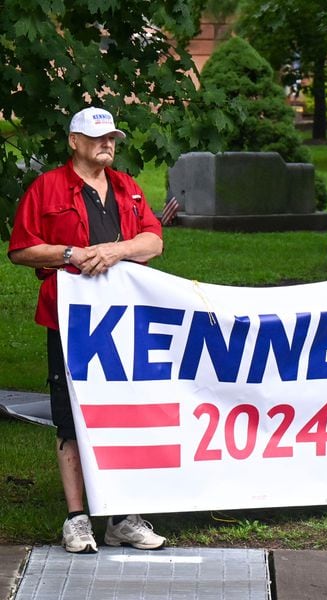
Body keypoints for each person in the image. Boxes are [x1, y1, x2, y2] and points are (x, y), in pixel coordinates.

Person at [8, 107, 168, 553]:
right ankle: (77, 518)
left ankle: (121, 517)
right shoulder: (48, 188)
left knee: (124, 413)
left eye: (112, 137)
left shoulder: (127, 188)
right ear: (73, 142)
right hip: (71, 320)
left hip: (124, 319)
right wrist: (69, 255)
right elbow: (21, 250)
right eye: (97, 137)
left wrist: (117, 250)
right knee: (71, 414)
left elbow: (154, 240)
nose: (107, 144)